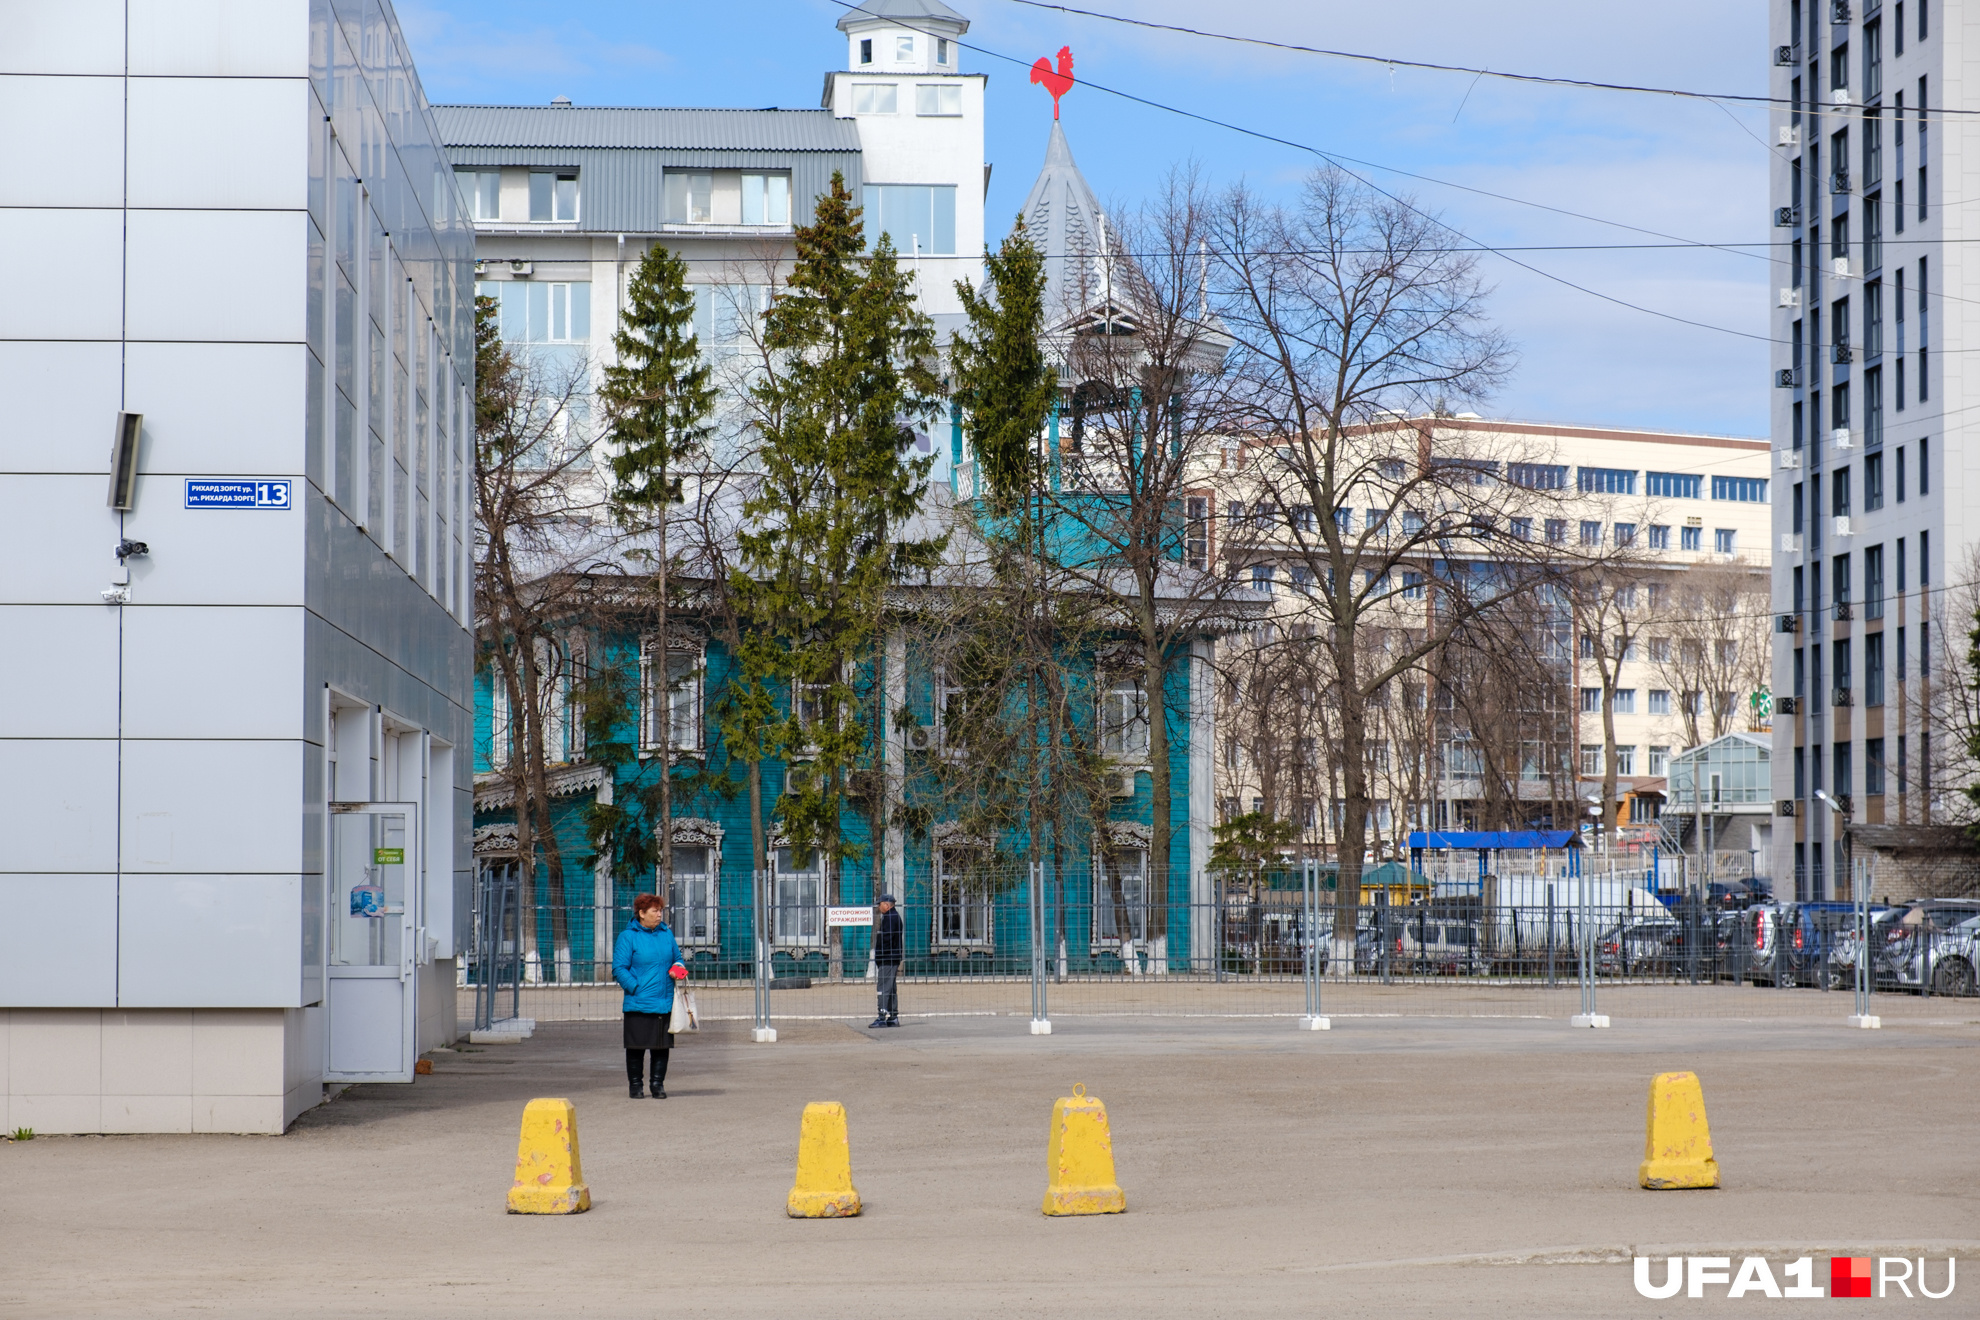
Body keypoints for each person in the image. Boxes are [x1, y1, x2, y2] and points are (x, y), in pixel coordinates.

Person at [613, 893, 686, 1098]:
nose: (659, 915)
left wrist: (677, 970)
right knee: (636, 1048)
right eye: (654, 911)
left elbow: (679, 959)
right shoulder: (629, 937)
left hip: (664, 1002)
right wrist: (636, 988)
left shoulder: (666, 934)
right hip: (639, 1003)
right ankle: (635, 1086)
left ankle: (657, 1085)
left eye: (660, 910)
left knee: (661, 1047)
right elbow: (619, 968)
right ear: (641, 913)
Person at [869, 892, 903, 1028]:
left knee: (883, 988)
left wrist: (880, 957)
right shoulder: (893, 916)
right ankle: (893, 1016)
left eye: (880, 904)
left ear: (887, 905)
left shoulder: (890, 918)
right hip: (891, 957)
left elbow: (886, 941)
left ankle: (882, 1016)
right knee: (891, 988)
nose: (878, 907)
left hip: (888, 958)